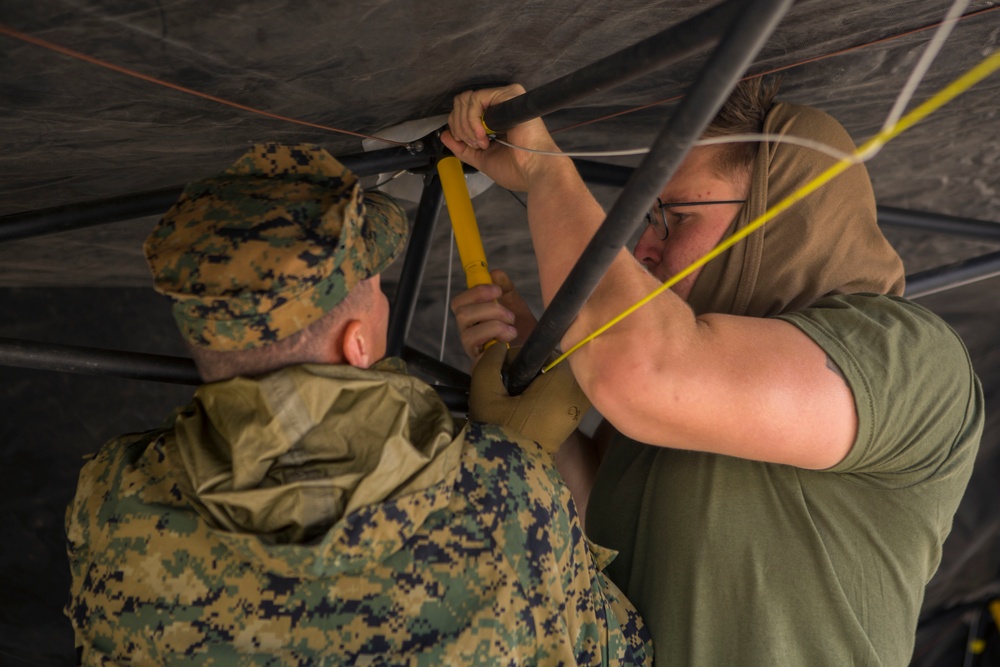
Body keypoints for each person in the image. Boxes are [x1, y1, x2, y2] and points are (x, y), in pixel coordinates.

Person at [443, 80, 983, 666]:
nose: (644, 248)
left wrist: (546, 172)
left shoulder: (907, 356)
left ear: (781, 217)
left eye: (674, 218)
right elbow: (619, 531)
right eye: (650, 219)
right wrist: (541, 404)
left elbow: (643, 370)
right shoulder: (670, 398)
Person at [64, 143, 652, 666]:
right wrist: (519, 455)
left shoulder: (114, 499)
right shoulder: (509, 494)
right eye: (374, 289)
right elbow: (623, 652)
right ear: (358, 343)